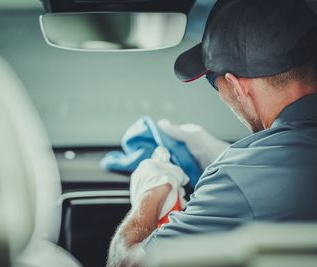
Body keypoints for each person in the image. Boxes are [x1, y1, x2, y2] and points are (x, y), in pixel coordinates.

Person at [106, 0, 317, 266]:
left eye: (211, 80)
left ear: (236, 85)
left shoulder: (238, 176)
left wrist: (149, 193)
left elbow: (125, 263)